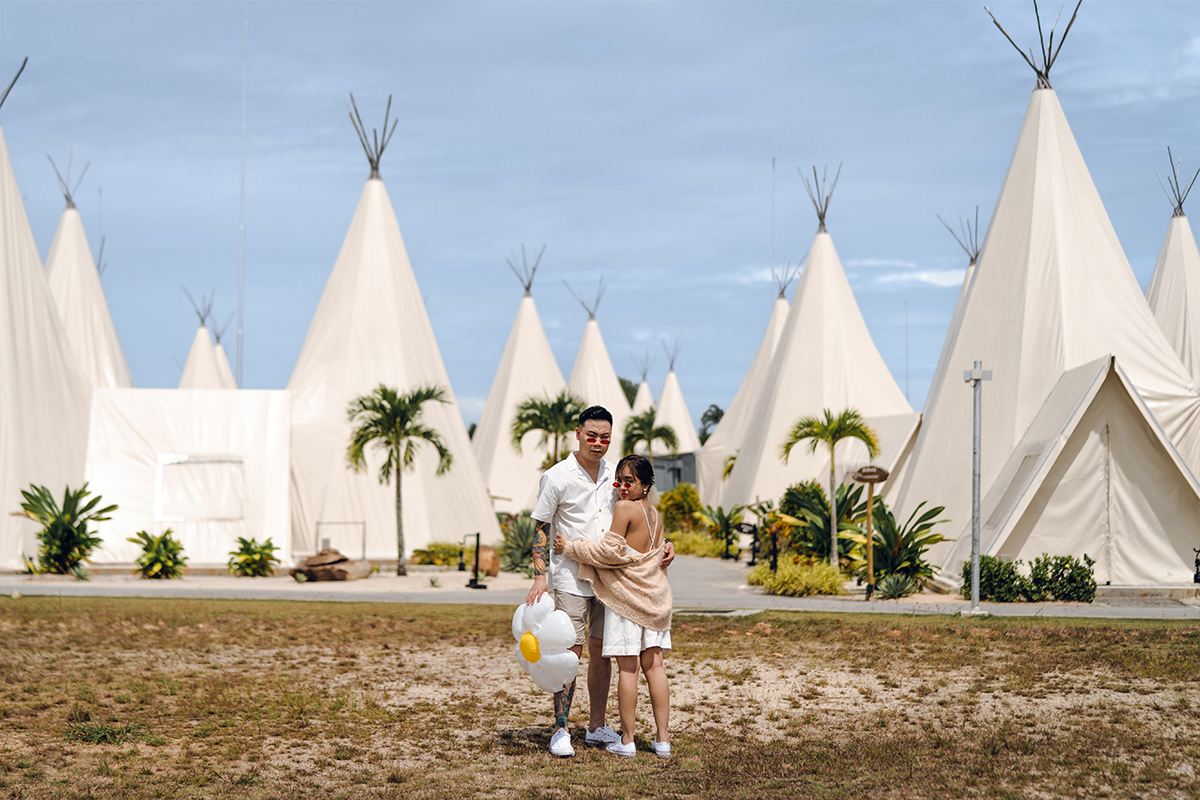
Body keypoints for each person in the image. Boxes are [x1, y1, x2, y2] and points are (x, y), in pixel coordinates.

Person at [527, 406, 674, 758]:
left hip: (613, 585)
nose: (598, 442)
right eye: (591, 435)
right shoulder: (557, 476)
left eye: (605, 437)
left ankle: (596, 726)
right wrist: (539, 575)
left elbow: (641, 518)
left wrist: (665, 546)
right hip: (570, 579)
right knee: (569, 652)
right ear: (577, 433)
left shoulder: (618, 474)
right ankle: (561, 728)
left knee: (603, 655)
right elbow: (541, 528)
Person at [554, 453, 672, 759]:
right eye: (619, 480)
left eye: (629, 481)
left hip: (628, 600)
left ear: (645, 484)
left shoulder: (624, 508)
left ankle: (628, 739)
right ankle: (662, 740)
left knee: (628, 668)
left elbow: (608, 553)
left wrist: (570, 548)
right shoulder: (655, 514)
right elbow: (653, 553)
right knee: (655, 666)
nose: (622, 486)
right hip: (656, 598)